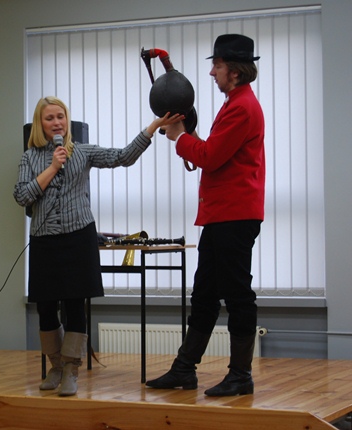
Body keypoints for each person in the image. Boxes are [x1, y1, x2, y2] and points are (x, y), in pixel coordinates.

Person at [13, 96, 182, 396]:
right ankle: (55, 366)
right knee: (46, 307)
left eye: (61, 116)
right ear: (40, 124)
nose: (57, 123)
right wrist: (52, 167)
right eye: (50, 118)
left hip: (78, 237)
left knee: (75, 305)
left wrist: (152, 127)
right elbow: (22, 196)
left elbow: (123, 157)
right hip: (44, 240)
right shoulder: (29, 158)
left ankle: (71, 369)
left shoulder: (83, 152)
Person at [146, 34, 265, 397]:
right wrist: (187, 135)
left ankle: (241, 376)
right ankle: (184, 369)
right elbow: (214, 153)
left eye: (217, 66)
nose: (212, 73)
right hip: (222, 215)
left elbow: (210, 157)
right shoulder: (235, 104)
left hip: (234, 215)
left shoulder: (242, 107)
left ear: (235, 71)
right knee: (204, 294)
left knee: (237, 295)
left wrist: (179, 137)